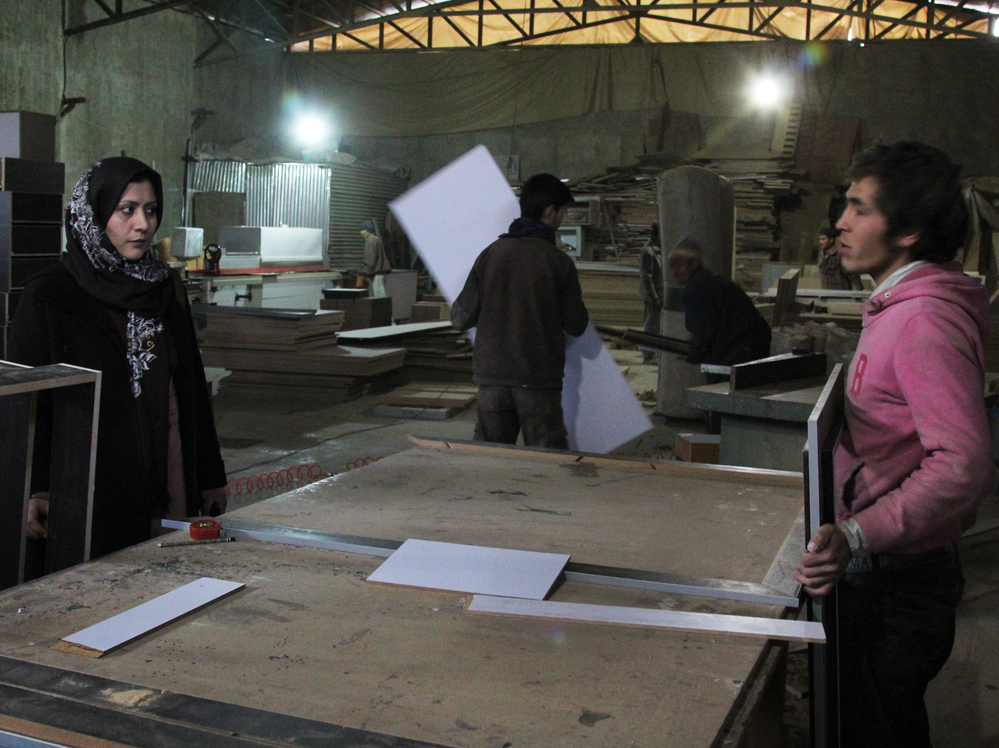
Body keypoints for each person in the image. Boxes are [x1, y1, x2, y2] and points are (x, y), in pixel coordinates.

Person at [794, 142, 995, 748]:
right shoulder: (896, 306)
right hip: (887, 570)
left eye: (859, 209)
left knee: (877, 725)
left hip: (898, 584)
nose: (840, 223)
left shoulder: (923, 321)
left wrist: (857, 533)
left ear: (907, 230)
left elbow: (963, 464)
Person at [9, 157, 227, 567]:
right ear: (95, 214)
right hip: (90, 483)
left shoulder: (165, 289)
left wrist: (210, 474)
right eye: (126, 210)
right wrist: (35, 488)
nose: (143, 224)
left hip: (169, 470)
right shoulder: (51, 295)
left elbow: (192, 387)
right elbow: (28, 406)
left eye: (151, 210)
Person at [451, 173, 589, 449]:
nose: (562, 220)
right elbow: (576, 324)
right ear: (550, 213)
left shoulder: (491, 254)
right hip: (537, 382)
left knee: (489, 460)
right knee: (547, 464)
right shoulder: (558, 262)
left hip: (492, 381)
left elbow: (459, 318)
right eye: (562, 213)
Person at [667, 237, 771, 432]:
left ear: (694, 263)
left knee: (721, 411)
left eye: (679, 266)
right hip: (752, 348)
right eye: (672, 267)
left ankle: (719, 448)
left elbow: (704, 332)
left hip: (735, 354)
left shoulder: (695, 289)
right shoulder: (714, 281)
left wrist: (693, 354)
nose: (675, 272)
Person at [638, 222, 664, 363]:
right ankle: (648, 355)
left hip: (660, 294)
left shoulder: (659, 251)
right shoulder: (648, 252)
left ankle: (654, 353)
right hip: (653, 296)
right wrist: (653, 298)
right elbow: (646, 278)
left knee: (657, 327)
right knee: (650, 326)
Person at [360, 219, 391, 297]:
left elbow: (370, 260)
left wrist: (363, 272)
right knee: (378, 297)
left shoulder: (371, 241)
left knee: (378, 299)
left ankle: (383, 309)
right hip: (379, 273)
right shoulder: (374, 239)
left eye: (363, 230)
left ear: (368, 230)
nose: (361, 233)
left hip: (377, 274)